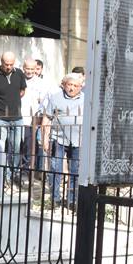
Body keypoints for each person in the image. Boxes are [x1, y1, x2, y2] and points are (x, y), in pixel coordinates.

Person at [41, 73, 85, 209]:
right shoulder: (56, 98)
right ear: (64, 85)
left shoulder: (86, 99)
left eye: (75, 85)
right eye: (69, 85)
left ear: (80, 87)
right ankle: (55, 199)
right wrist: (44, 139)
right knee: (56, 169)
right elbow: (47, 118)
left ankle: (72, 200)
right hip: (58, 139)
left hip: (78, 141)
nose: (72, 88)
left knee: (75, 171)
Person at [0, 52, 27, 185]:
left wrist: (13, 100)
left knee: (17, 147)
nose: (8, 67)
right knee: (1, 147)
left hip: (17, 116)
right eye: (6, 64)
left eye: (11, 64)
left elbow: (22, 90)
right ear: (1, 61)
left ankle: (15, 173)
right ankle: (4, 175)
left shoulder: (19, 73)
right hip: (0, 117)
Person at [20, 57, 49, 175]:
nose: (30, 71)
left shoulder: (41, 83)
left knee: (29, 146)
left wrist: (39, 119)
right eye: (27, 68)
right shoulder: (18, 79)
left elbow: (44, 102)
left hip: (32, 119)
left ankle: (26, 170)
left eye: (32, 69)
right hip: (18, 117)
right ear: (23, 68)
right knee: (17, 145)